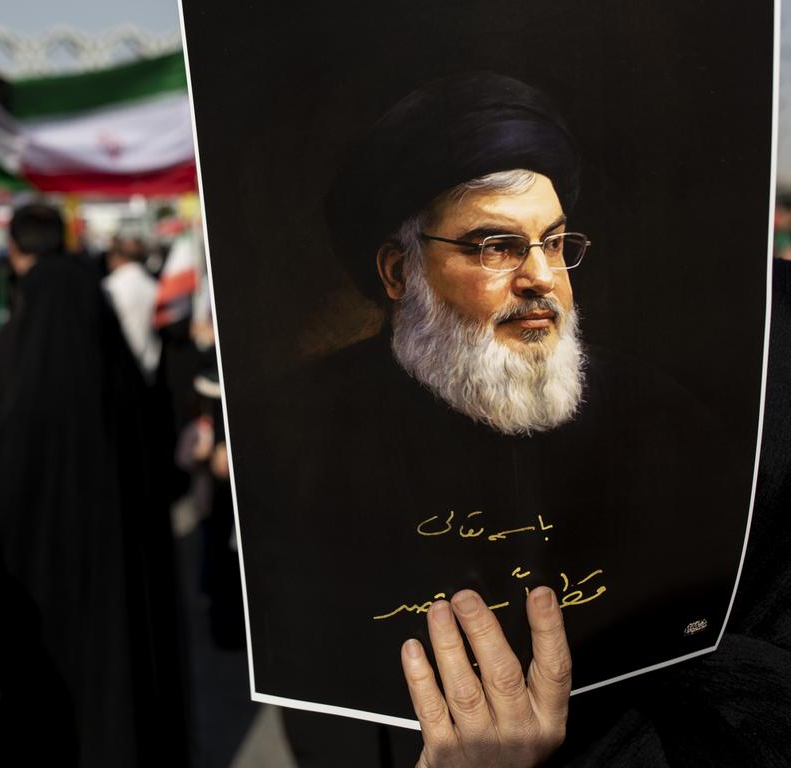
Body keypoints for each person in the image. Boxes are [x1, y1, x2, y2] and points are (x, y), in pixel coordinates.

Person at [230, 72, 747, 765]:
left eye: (556, 242)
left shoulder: (661, 418)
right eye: (496, 246)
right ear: (396, 271)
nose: (542, 277)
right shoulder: (294, 435)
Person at [0, 204, 189, 768]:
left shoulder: (28, 317)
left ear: (15, 252)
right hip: (109, 530)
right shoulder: (92, 303)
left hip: (40, 546)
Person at [101, 237, 161, 383]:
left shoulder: (110, 287)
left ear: (116, 257)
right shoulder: (154, 285)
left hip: (122, 366)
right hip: (151, 363)